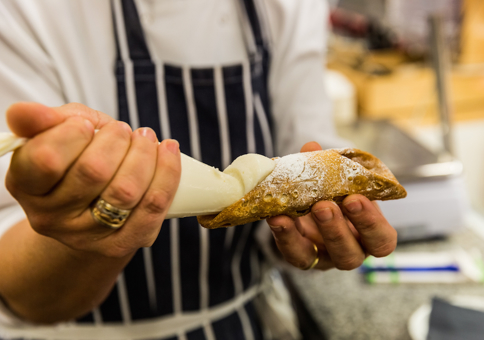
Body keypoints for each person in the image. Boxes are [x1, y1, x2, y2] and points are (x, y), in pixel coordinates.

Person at [0, 0, 397, 339]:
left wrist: (312, 232)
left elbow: (305, 151)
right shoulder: (28, 11)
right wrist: (95, 229)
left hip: (238, 322)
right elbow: (19, 287)